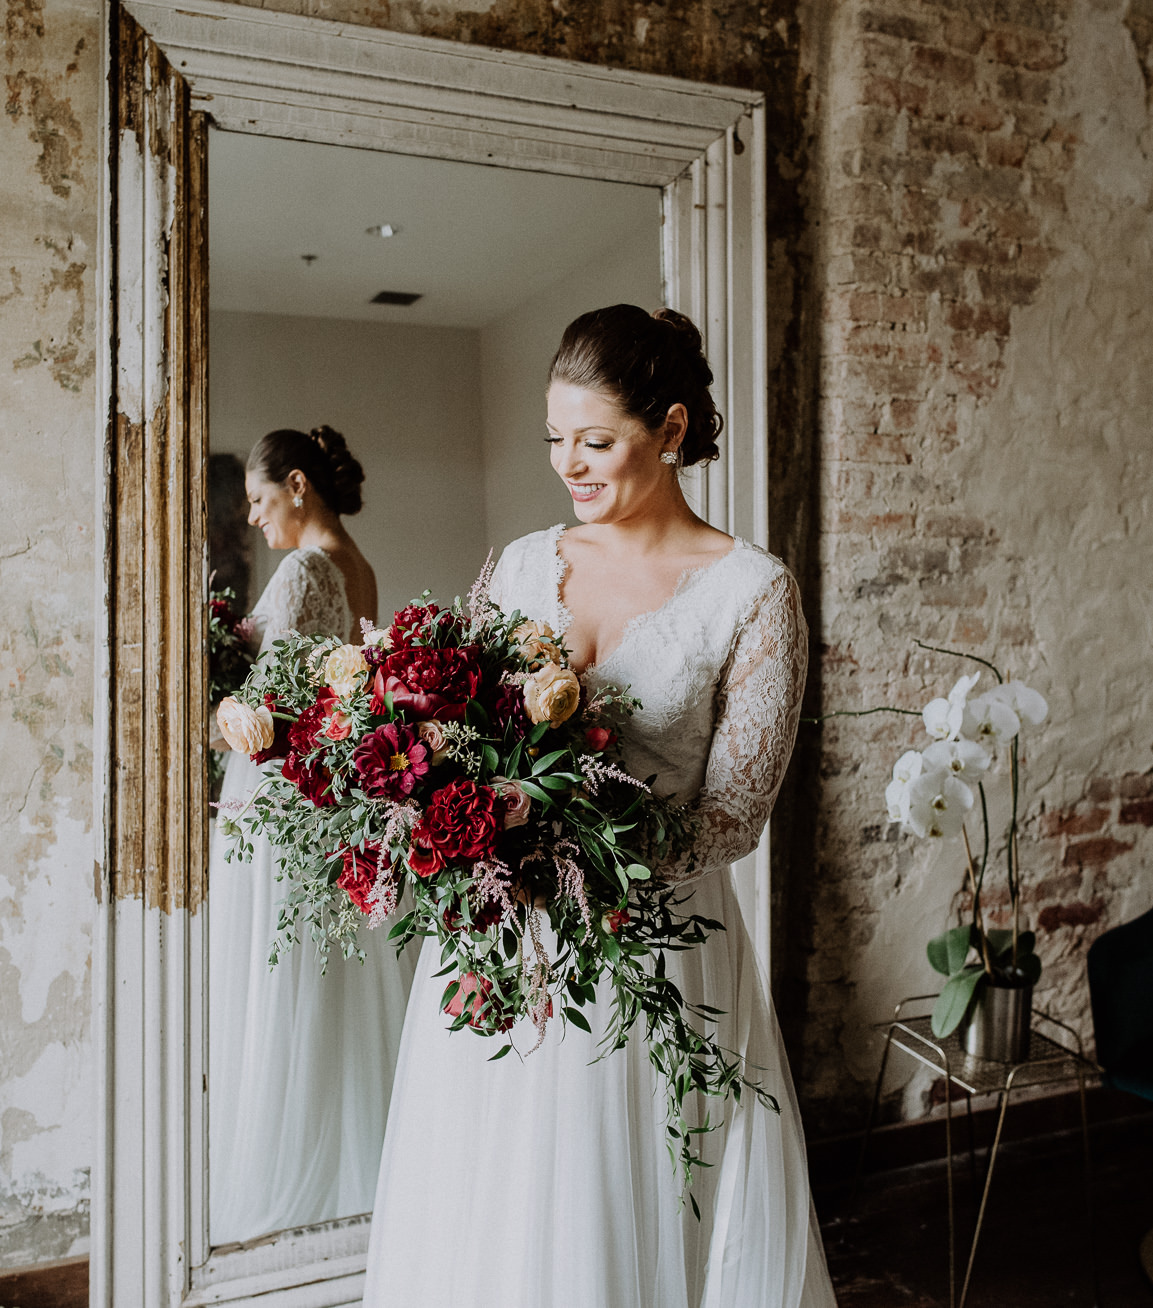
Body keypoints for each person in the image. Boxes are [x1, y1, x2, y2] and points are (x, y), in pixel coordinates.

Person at [363, 308, 837, 1307]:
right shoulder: (524, 562)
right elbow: (452, 720)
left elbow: (734, 819)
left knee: (629, 1220)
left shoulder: (751, 593)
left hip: (653, 945)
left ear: (668, 429)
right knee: (490, 1216)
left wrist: (568, 831)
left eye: (596, 441)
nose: (569, 465)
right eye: (554, 440)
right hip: (509, 943)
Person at [209, 425, 413, 1244]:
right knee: (330, 982)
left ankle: (281, 1171)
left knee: (280, 976)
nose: (254, 520)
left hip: (280, 799)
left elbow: (269, 708)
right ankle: (353, 1173)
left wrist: (218, 694)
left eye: (260, 501)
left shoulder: (301, 568)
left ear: (298, 485)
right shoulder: (359, 567)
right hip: (335, 799)